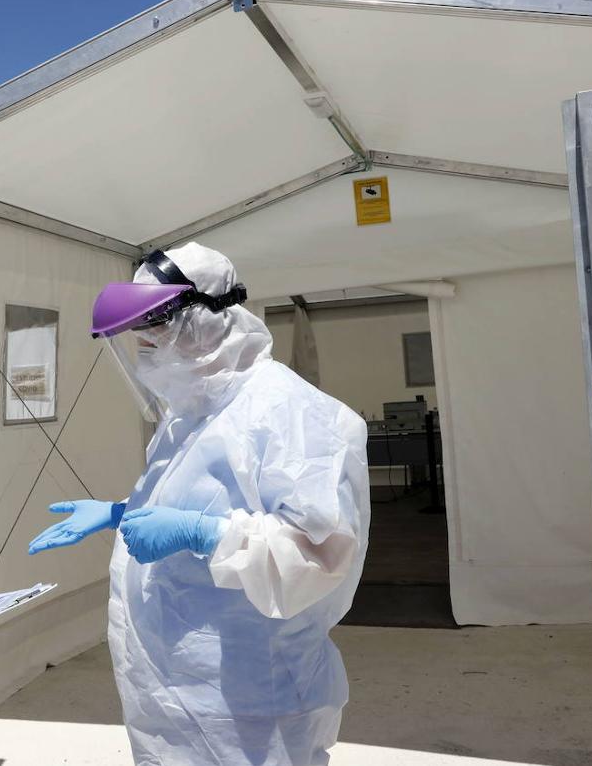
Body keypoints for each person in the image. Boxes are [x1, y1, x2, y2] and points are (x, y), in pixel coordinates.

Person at [29, 243, 370, 766]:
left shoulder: (292, 412)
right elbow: (199, 500)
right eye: (139, 332)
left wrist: (203, 534)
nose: (146, 346)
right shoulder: (189, 414)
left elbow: (318, 558)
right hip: (174, 692)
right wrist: (121, 514)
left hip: (254, 700)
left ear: (215, 318)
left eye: (158, 328)